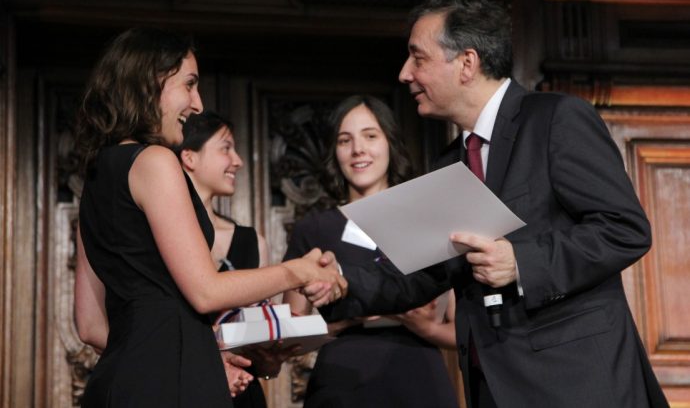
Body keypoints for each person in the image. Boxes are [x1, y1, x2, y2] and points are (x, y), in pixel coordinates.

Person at [317, 0, 669, 408]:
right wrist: (337, 282)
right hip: (492, 388)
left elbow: (624, 229)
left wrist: (520, 261)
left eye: (418, 58)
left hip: (577, 382)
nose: (405, 74)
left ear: (467, 62)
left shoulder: (556, 118)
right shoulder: (448, 162)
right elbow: (420, 272)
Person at [73, 27, 346, 408]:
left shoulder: (96, 176)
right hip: (173, 389)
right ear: (152, 79)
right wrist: (300, 272)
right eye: (189, 84)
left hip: (119, 382)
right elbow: (206, 292)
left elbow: (88, 324)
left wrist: (200, 355)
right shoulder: (154, 161)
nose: (197, 103)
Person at [283, 94, 459, 408]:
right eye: (344, 140)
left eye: (370, 136)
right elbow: (288, 335)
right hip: (341, 383)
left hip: (419, 380)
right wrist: (337, 324)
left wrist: (427, 327)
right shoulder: (314, 229)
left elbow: (464, 332)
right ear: (334, 153)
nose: (358, 150)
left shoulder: (428, 220)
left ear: (390, 143)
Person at [177, 110, 296, 407]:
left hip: (240, 397)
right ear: (189, 157)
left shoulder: (252, 242)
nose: (238, 161)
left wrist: (269, 362)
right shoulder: (159, 238)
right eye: (226, 148)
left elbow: (261, 354)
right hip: (177, 389)